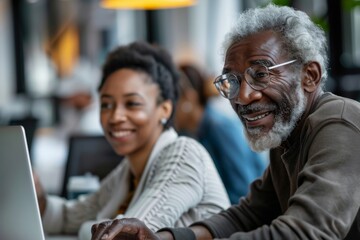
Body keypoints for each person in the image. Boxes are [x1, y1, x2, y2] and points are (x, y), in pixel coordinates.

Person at [90, 4, 360, 240]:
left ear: (309, 75)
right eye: (232, 80)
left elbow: (302, 234)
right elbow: (248, 215)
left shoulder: (339, 123)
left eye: (261, 74)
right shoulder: (288, 134)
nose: (243, 96)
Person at [34, 41, 230, 240]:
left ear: (165, 109)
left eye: (132, 104)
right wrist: (37, 196)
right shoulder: (126, 172)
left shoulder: (184, 154)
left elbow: (129, 235)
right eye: (106, 104)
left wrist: (86, 229)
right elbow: (68, 217)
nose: (115, 116)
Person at [175, 63, 267, 204]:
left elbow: (243, 187)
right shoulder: (188, 134)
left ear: (189, 97)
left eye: (172, 98)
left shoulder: (219, 126)